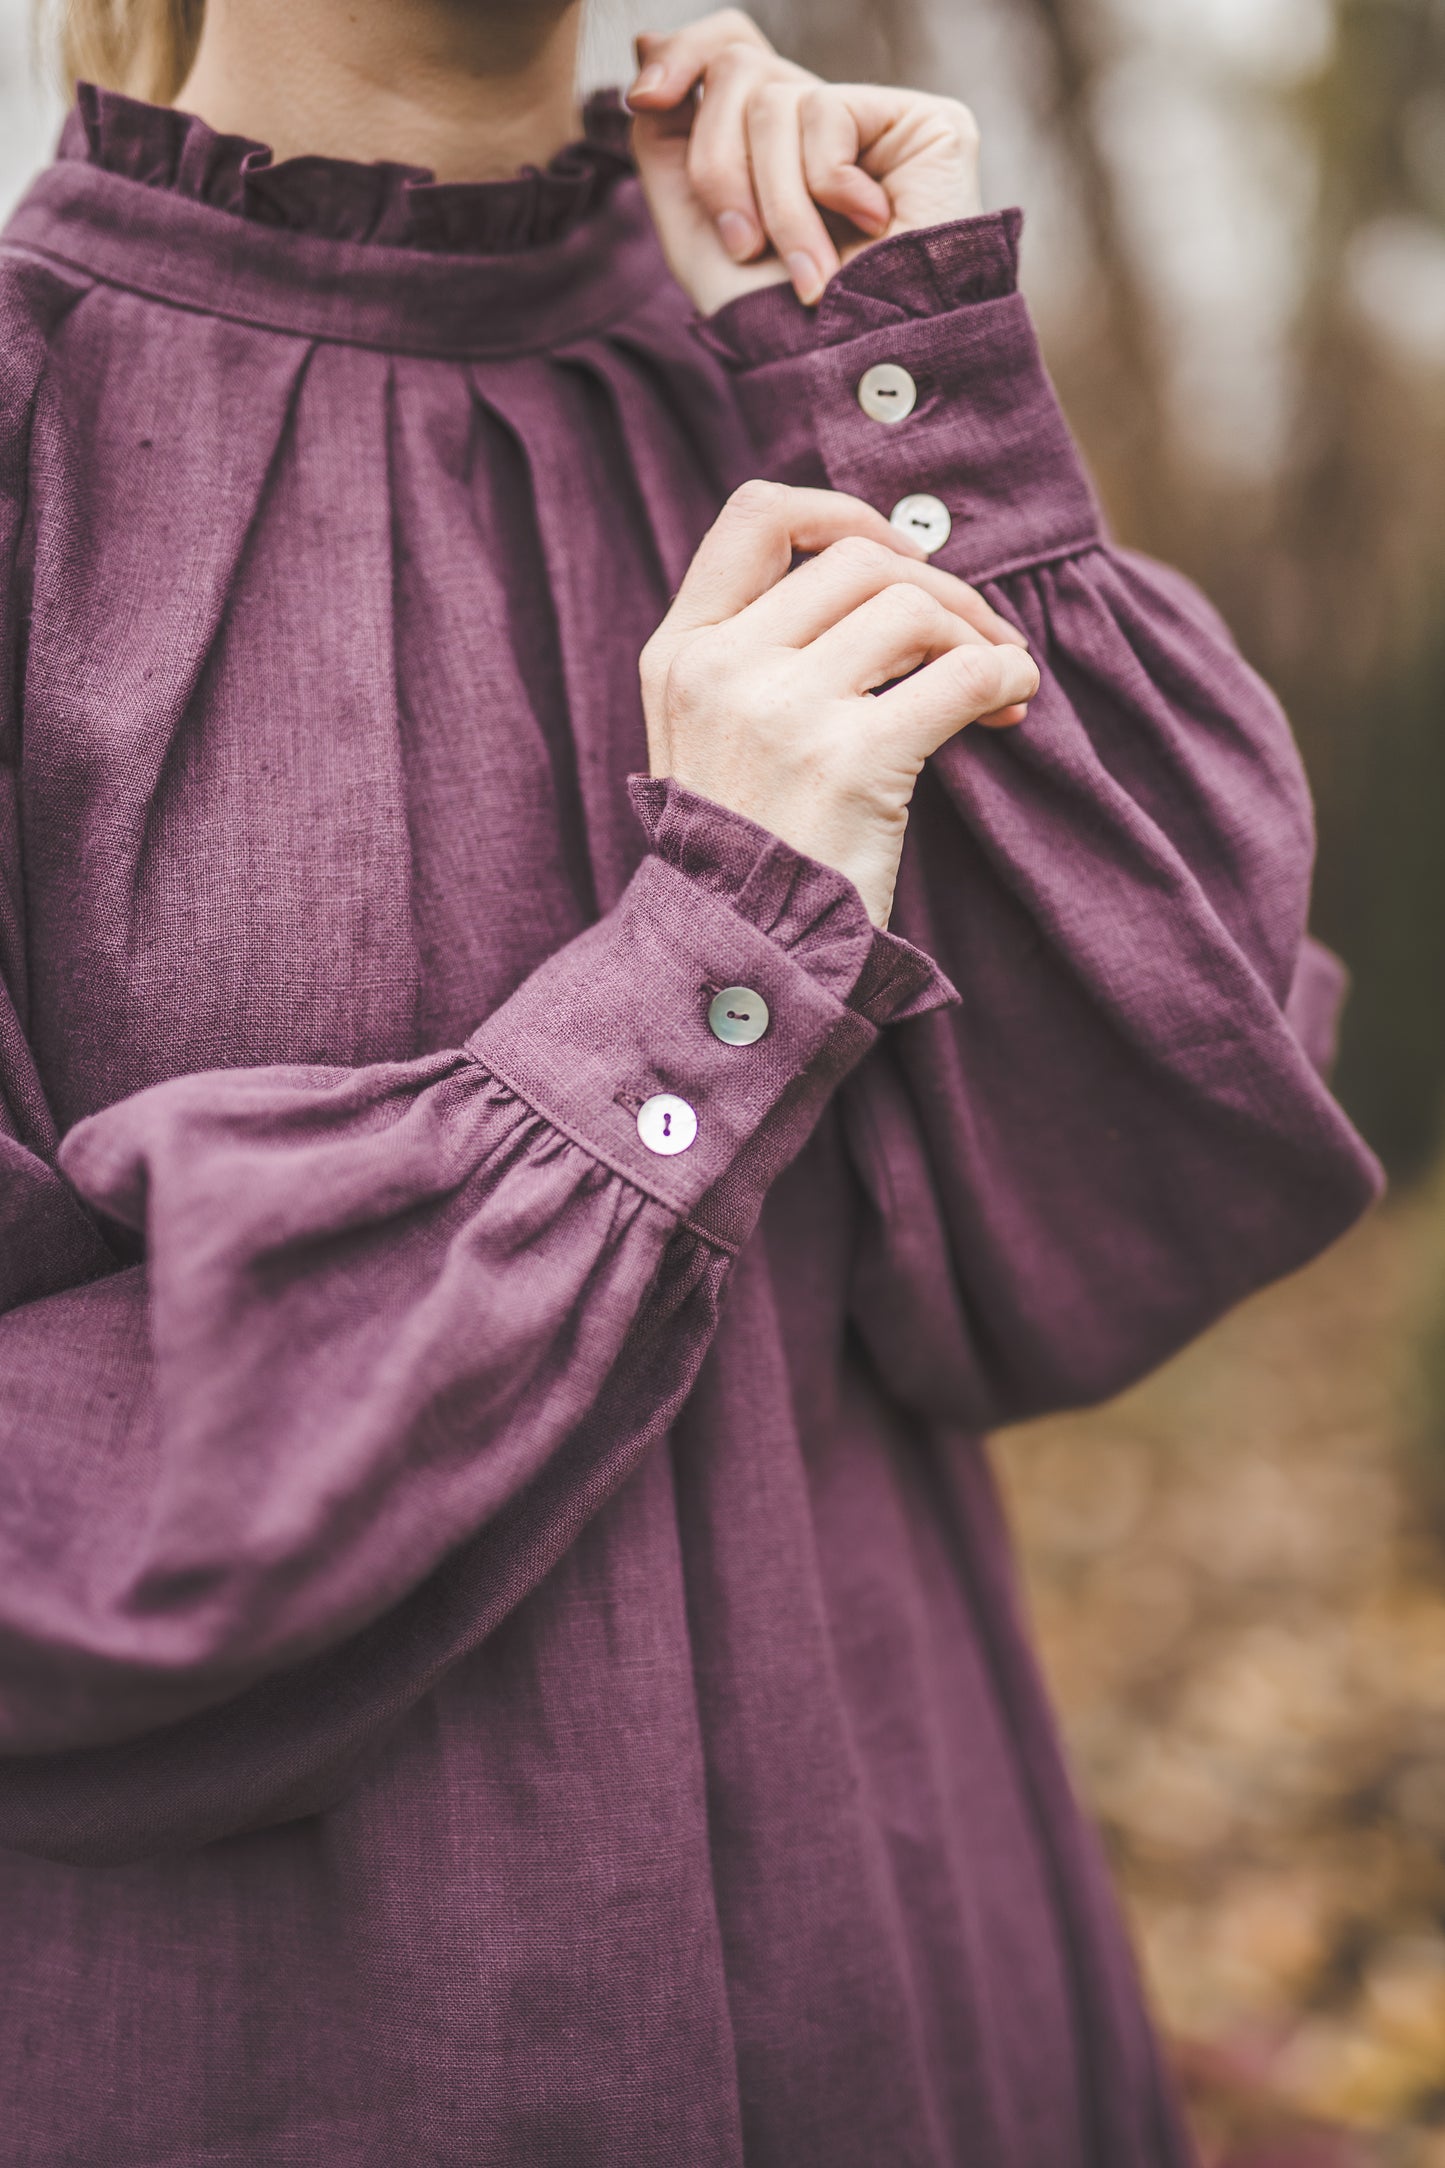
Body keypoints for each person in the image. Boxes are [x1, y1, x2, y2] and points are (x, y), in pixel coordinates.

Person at [0, 1, 1380, 2161]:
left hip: (918, 1979)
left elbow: (1159, 1179)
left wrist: (924, 410)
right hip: (302, 2058)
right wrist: (705, 976)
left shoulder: (796, 384)